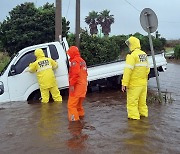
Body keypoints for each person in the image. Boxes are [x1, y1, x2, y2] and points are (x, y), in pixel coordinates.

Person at [121, 36, 150, 120]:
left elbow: (127, 71)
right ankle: (144, 120)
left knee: (132, 104)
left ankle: (135, 125)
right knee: (142, 104)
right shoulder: (144, 54)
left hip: (134, 85)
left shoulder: (132, 56)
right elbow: (147, 69)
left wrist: (124, 84)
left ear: (131, 45)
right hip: (143, 84)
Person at [66, 46, 88, 121]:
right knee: (78, 105)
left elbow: (75, 74)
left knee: (71, 105)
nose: (69, 55)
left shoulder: (74, 62)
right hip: (83, 86)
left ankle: (74, 122)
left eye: (69, 53)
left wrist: (72, 85)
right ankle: (81, 118)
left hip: (77, 87)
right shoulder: (82, 61)